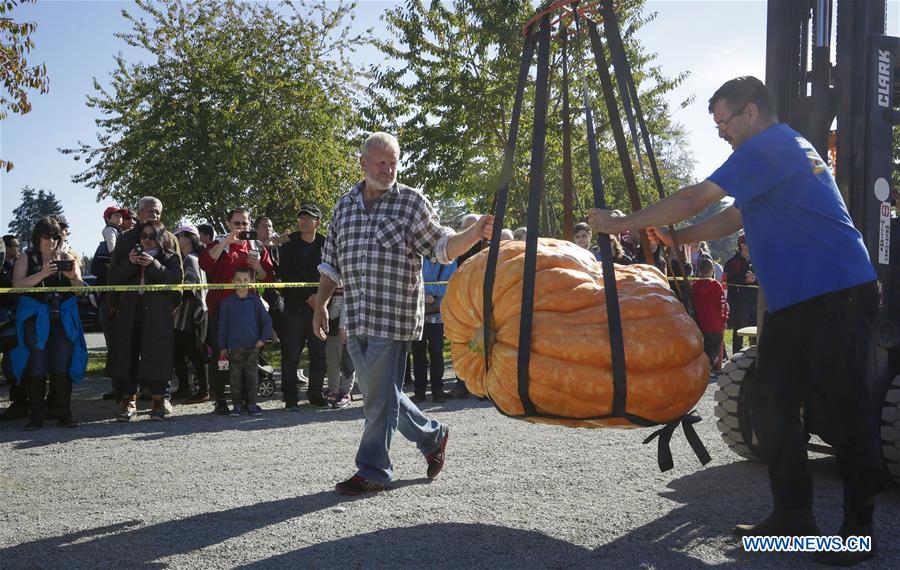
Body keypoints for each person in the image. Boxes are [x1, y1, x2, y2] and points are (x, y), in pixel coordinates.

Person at [588, 76, 880, 564]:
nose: (721, 132)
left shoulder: (773, 144)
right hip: (796, 301)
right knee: (770, 404)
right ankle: (793, 517)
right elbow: (730, 218)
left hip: (836, 294)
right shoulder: (776, 155)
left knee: (847, 409)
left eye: (724, 122)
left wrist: (622, 223)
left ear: (751, 111)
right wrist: (677, 237)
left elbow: (697, 197)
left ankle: (858, 531)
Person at [312, 132, 493, 495]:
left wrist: (473, 233)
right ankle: (433, 436)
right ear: (362, 164)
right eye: (380, 162)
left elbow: (441, 247)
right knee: (383, 395)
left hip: (393, 318)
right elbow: (330, 264)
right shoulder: (344, 205)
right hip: (356, 316)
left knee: (377, 400)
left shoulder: (412, 202)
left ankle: (374, 469)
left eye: (393, 162)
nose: (388, 169)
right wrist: (320, 307)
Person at [9, 217, 88, 430]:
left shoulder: (67, 257)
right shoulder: (27, 257)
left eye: (56, 236)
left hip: (62, 319)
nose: (51, 240)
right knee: (37, 365)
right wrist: (42, 274)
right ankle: (36, 416)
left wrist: (73, 277)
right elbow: (17, 285)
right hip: (35, 319)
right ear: (37, 237)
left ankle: (64, 413)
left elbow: (81, 289)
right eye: (47, 236)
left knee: (62, 365)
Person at [200, 208, 274, 415]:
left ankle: (245, 399)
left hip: (248, 313)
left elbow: (269, 277)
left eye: (245, 224)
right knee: (221, 357)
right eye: (236, 223)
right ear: (228, 224)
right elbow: (205, 264)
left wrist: (258, 267)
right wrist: (226, 242)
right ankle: (220, 399)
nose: (241, 227)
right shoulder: (219, 245)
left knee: (248, 356)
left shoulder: (256, 246)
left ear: (250, 225)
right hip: (221, 310)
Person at [107, 220, 184, 421]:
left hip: (158, 314)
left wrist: (153, 264)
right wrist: (129, 263)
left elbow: (175, 280)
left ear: (160, 238)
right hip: (130, 312)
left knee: (158, 356)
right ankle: (128, 402)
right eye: (144, 236)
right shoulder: (129, 255)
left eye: (152, 236)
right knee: (127, 356)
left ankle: (158, 402)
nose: (147, 240)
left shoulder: (170, 257)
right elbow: (114, 280)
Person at [277, 204, 328, 409]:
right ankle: (290, 398)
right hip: (294, 308)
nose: (304, 221)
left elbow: (332, 271)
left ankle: (315, 394)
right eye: (301, 218)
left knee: (319, 355)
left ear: (318, 222)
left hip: (320, 307)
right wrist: (309, 296)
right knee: (291, 354)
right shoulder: (287, 246)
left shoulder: (327, 244)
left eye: (309, 218)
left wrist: (319, 297)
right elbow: (286, 275)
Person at [218, 267, 273, 417]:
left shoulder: (255, 301)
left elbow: (267, 321)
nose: (242, 283)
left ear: (251, 282)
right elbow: (222, 325)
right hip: (233, 347)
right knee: (234, 378)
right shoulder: (227, 303)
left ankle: (252, 404)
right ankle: (236, 405)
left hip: (252, 347)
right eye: (238, 280)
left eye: (245, 280)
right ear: (232, 282)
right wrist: (222, 346)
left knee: (252, 377)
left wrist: (262, 340)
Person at [411, 257, 456, 403]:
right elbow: (412, 281)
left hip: (438, 316)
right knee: (418, 354)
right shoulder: (418, 258)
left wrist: (427, 293)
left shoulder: (450, 261)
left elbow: (449, 285)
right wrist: (425, 294)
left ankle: (438, 390)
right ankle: (419, 391)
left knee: (437, 352)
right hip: (416, 315)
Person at [173, 225, 209, 401]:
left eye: (177, 236)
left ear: (187, 238)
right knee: (178, 353)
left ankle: (203, 391)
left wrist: (175, 303)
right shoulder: (192, 257)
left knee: (196, 355)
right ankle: (184, 388)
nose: (175, 240)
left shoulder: (190, 260)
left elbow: (190, 289)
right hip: (186, 315)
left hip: (191, 314)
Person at [690, 258, 729, 370]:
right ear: (712, 269)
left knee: (705, 348)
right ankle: (709, 368)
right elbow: (722, 304)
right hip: (715, 324)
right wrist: (725, 319)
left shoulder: (695, 286)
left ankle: (705, 367)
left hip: (701, 324)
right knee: (715, 349)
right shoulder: (716, 285)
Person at [723, 234, 758, 356]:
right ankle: (736, 357)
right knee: (739, 330)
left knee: (756, 329)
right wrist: (744, 281)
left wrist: (755, 278)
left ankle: (755, 355)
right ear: (742, 245)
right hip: (740, 302)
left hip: (755, 300)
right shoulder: (732, 262)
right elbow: (728, 281)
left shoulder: (757, 259)